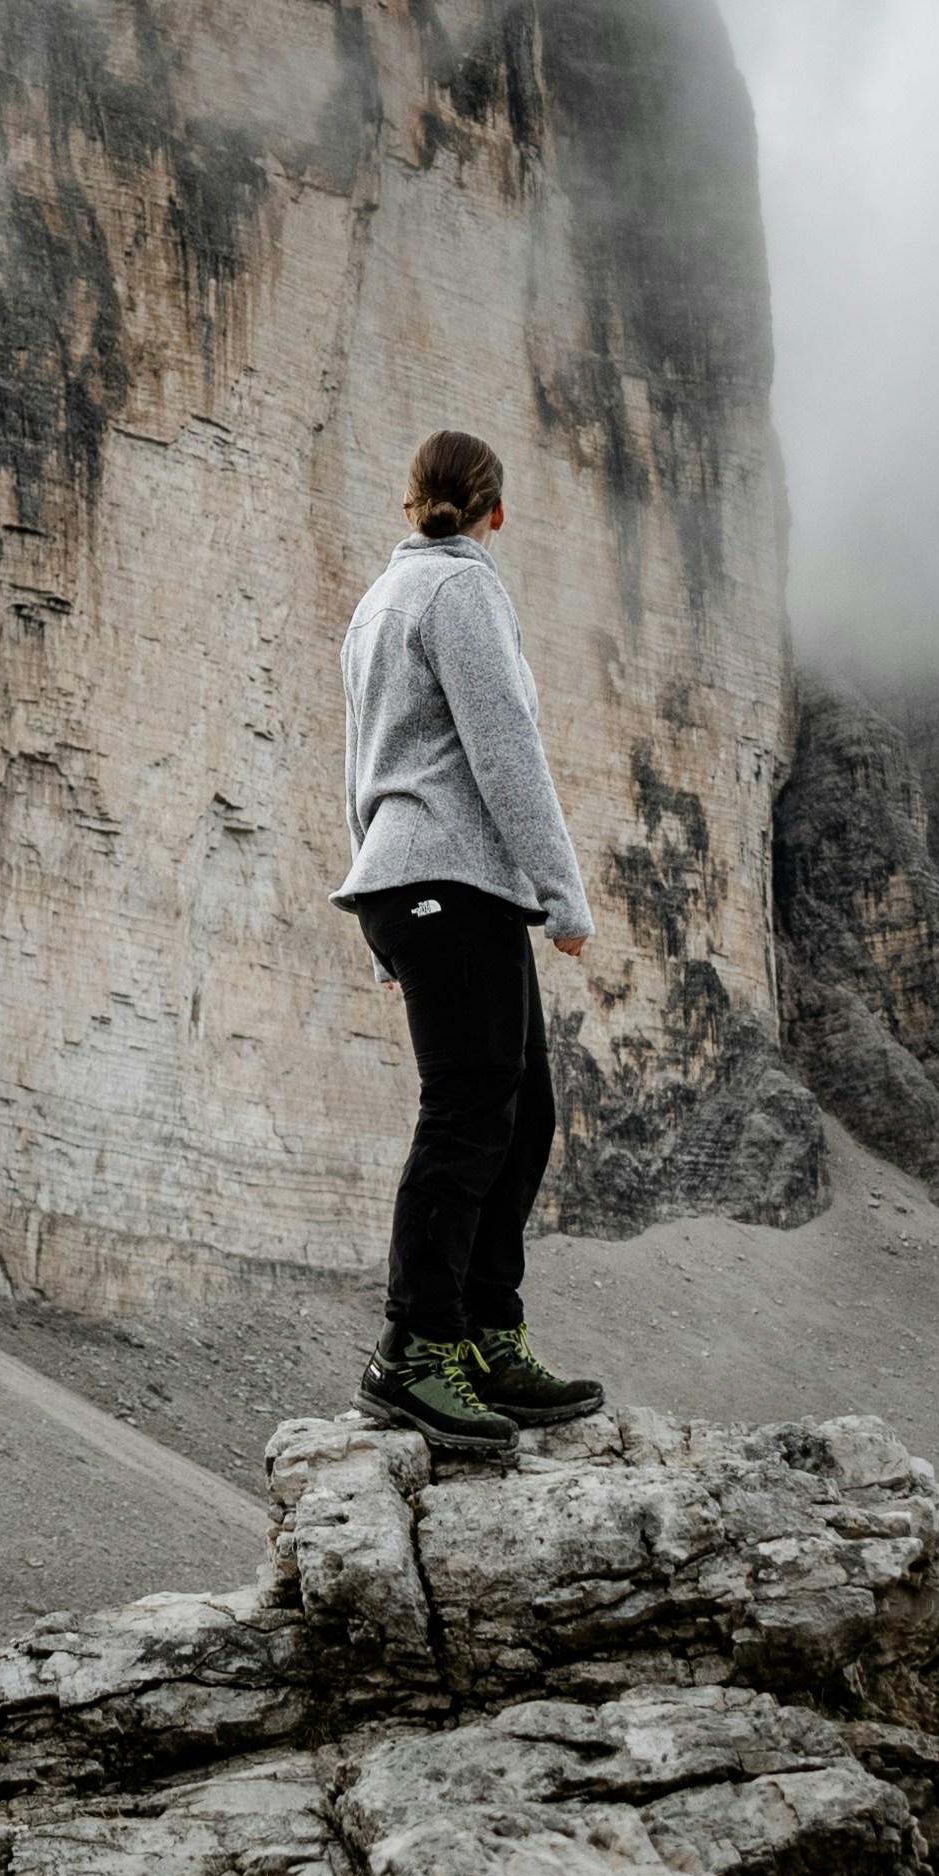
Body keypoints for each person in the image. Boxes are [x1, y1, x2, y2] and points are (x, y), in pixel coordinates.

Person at [334, 428, 612, 1455]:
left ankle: (489, 1335)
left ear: (409, 506)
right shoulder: (462, 593)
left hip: (415, 885)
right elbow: (506, 752)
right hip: (449, 880)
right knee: (468, 1117)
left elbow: (354, 765)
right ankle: (416, 1349)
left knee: (520, 1110)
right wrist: (564, 896)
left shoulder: (377, 602)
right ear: (495, 513)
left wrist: (376, 910)